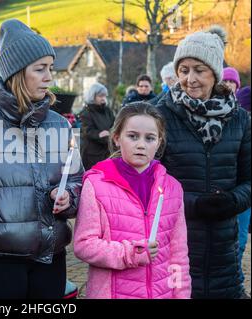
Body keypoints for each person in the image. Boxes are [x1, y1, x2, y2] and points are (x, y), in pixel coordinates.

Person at [0, 19, 84, 299]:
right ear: (17, 72)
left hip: (50, 259)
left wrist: (69, 197)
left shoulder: (59, 125)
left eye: (50, 67)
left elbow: (77, 181)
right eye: (40, 69)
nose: (50, 76)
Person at [157, 26, 250, 299]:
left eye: (199, 69)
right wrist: (194, 203)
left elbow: (249, 179)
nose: (190, 79)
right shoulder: (161, 115)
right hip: (175, 242)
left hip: (224, 247)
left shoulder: (239, 119)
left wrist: (233, 201)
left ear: (215, 73)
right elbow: (151, 183)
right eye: (183, 70)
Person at [74, 102, 191, 299]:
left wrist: (181, 294)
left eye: (150, 138)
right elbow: (84, 245)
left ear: (159, 141)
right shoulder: (96, 184)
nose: (141, 145)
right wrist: (131, 253)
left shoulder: (172, 188)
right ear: (117, 138)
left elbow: (178, 255)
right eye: (133, 136)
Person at [235, 85, 251, 296]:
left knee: (240, 241)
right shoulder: (234, 128)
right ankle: (236, 282)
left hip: (246, 193)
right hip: (235, 192)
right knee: (236, 242)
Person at [80, 83, 115, 170]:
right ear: (93, 96)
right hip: (92, 153)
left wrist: (112, 132)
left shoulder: (108, 111)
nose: (103, 98)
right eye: (100, 96)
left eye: (105, 96)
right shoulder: (86, 112)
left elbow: (114, 124)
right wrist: (99, 134)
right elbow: (86, 131)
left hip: (107, 151)